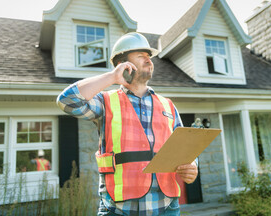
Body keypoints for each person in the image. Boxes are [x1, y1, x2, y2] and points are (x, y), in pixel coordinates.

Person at [57, 32, 198, 216]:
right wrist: (112, 77)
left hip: (166, 207)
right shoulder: (106, 102)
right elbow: (67, 101)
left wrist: (193, 166)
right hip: (118, 209)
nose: (149, 60)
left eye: (149, 57)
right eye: (141, 56)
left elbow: (185, 148)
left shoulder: (167, 105)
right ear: (123, 65)